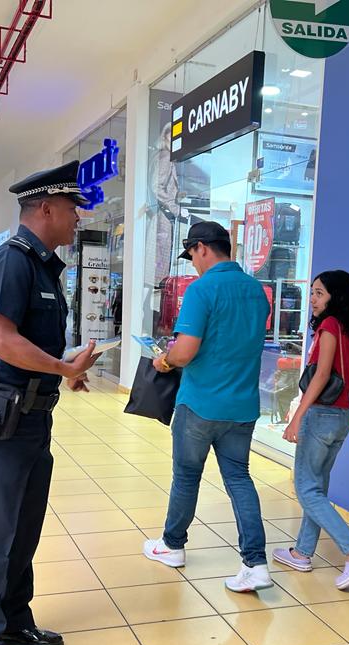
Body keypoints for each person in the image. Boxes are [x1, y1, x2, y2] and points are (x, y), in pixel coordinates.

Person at [0, 162, 98, 645]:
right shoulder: (12, 261)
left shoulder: (43, 268)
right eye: (72, 208)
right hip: (3, 418)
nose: (78, 217)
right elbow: (2, 341)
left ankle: (14, 619)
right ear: (46, 208)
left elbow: (32, 343)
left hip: (34, 415)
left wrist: (63, 374)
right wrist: (63, 367)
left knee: (23, 528)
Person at [142, 221, 273, 593]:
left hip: (200, 404)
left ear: (201, 248)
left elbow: (184, 352)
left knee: (186, 476)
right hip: (242, 406)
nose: (194, 264)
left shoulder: (202, 290)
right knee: (239, 479)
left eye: (192, 255)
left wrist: (164, 360)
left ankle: (172, 546)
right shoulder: (256, 290)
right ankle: (256, 563)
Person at [274, 270, 349, 588]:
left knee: (306, 489)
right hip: (342, 418)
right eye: (313, 292)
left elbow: (320, 377)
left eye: (319, 293)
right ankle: (302, 552)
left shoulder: (330, 326)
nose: (313, 299)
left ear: (336, 296)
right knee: (316, 487)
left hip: (320, 416)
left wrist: (296, 417)